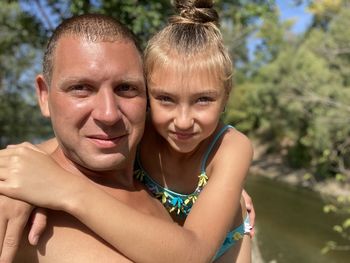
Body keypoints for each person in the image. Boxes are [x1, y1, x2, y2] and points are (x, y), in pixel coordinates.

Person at [0, 2, 254, 262]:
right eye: (81, 88)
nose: (183, 121)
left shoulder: (220, 147)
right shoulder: (19, 204)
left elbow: (194, 251)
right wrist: (13, 180)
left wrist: (64, 189)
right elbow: (36, 154)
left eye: (125, 88)